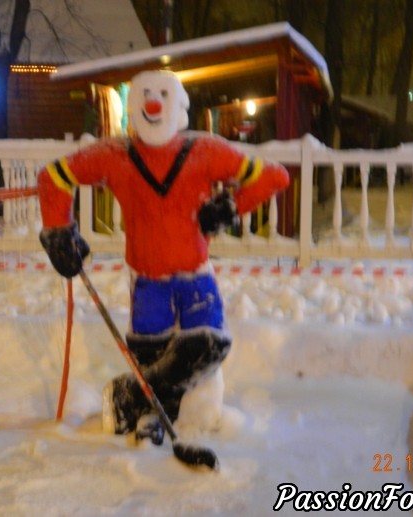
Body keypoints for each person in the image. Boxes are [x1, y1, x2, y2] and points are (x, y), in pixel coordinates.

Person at [37, 70, 289, 444]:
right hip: (147, 280)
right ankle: (156, 414)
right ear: (133, 107)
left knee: (209, 343)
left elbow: (274, 176)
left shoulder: (204, 151)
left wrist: (231, 206)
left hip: (195, 275)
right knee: (150, 354)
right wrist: (59, 232)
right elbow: (53, 177)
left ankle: (132, 395)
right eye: (145, 96)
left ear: (181, 109)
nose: (153, 104)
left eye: (163, 96)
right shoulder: (114, 155)